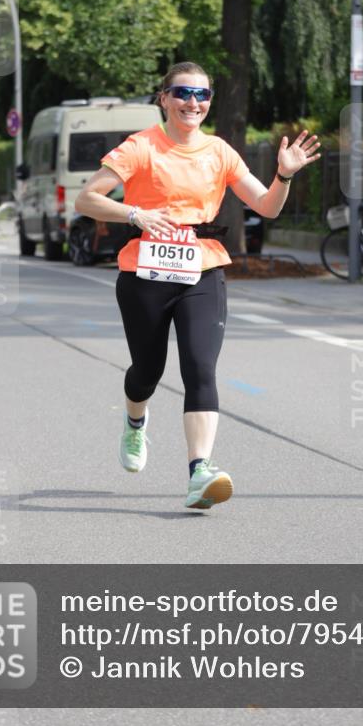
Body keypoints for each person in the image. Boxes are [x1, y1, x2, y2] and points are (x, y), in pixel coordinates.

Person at [75, 62, 321, 510]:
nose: (193, 103)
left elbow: (266, 207)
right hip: (144, 274)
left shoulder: (220, 152)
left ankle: (199, 472)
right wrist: (136, 214)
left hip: (201, 271)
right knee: (146, 371)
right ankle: (135, 423)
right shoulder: (140, 147)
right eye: (183, 93)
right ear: (164, 98)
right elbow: (86, 199)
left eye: (202, 95)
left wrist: (283, 176)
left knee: (199, 367)